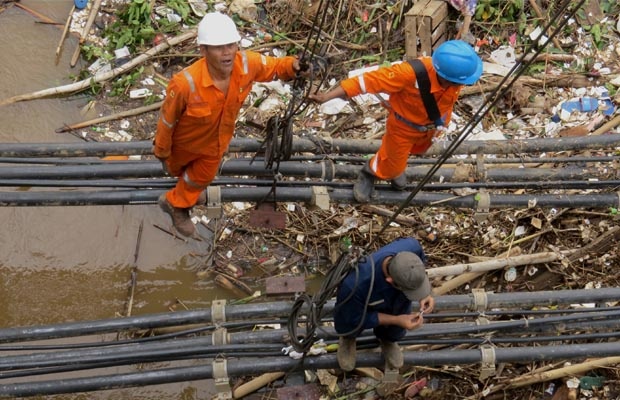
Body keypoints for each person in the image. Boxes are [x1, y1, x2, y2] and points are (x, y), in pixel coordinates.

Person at [153, 12, 305, 236]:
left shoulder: (247, 64)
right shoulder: (186, 84)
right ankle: (185, 191)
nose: (227, 52)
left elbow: (274, 67)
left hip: (216, 143)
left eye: (231, 45)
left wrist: (295, 66)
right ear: (203, 50)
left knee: (202, 176)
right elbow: (167, 121)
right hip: (184, 145)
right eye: (218, 47)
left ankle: (177, 204)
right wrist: (162, 152)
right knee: (179, 173)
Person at [308, 40, 482, 203]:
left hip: (431, 127)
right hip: (403, 128)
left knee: (414, 152)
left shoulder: (455, 79)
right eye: (455, 83)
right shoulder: (407, 74)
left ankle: (396, 166)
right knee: (392, 163)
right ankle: (370, 171)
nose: (459, 86)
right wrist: (326, 97)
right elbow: (365, 82)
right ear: (443, 75)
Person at [333, 237, 435, 371]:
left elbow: (420, 267)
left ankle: (388, 340)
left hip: (396, 297)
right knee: (348, 322)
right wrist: (397, 320)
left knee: (399, 308)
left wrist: (425, 294)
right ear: (390, 280)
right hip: (359, 304)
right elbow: (355, 318)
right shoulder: (355, 285)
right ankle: (348, 338)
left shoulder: (412, 247)